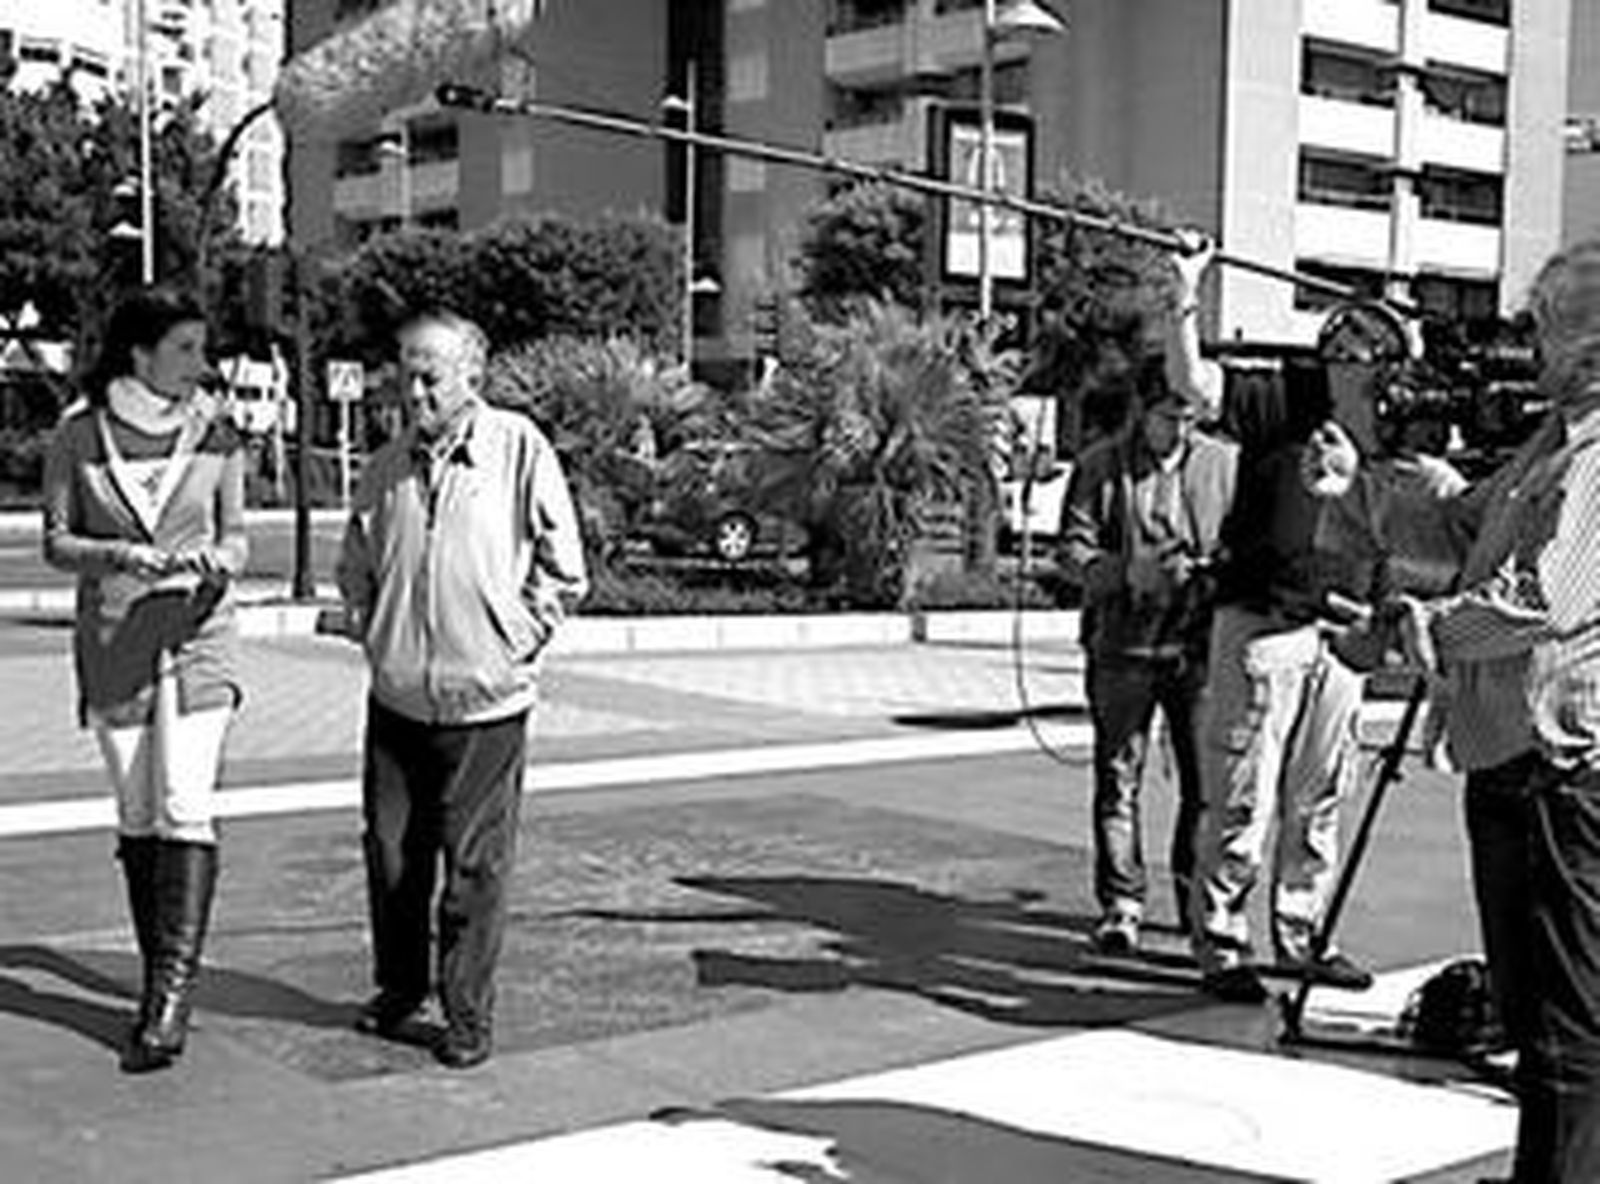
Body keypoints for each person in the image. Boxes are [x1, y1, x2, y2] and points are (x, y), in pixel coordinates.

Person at [1391, 238, 1600, 1182]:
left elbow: (1545, 595)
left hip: (1564, 778)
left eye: (1543, 328)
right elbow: (1463, 528)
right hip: (1512, 769)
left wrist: (1438, 627)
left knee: (1570, 1032)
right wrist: (1389, 472)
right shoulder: (1549, 444)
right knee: (1535, 1022)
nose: (1528, 348)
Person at [336, 309, 587, 1069]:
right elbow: (358, 562)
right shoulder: (384, 468)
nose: (413, 391)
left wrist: (515, 641)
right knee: (393, 860)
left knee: (472, 869)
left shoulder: (517, 448)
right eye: (405, 373)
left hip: (487, 706)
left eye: (429, 376)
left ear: (471, 374)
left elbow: (564, 566)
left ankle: (467, 1015)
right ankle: (400, 989)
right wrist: (369, 625)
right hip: (398, 701)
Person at [1164, 235, 1379, 1003]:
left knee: (1322, 793)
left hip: (1344, 631)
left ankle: (1303, 931)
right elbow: (1192, 384)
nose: (1361, 356)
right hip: (1264, 623)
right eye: (1351, 339)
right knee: (1243, 794)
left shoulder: (1385, 419)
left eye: (1375, 344)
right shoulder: (1284, 391)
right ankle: (1222, 942)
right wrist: (1187, 292)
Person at [41, 286, 248, 1073]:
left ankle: (168, 998)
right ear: (140, 353)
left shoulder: (218, 435)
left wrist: (215, 566)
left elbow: (233, 539)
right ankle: (157, 969)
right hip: (115, 639)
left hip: (200, 635)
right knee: (137, 810)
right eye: (186, 349)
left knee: (183, 803)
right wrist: (119, 557)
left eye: (202, 348)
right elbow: (59, 542)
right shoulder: (78, 436)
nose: (202, 364)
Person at [1059, 354, 1237, 954]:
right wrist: (1124, 572)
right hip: (1121, 647)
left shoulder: (1224, 465)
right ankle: (1121, 903)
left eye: (1192, 417)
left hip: (1196, 649)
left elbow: (1243, 548)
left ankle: (1194, 900)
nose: (1182, 430)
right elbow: (1071, 553)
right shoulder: (1100, 466)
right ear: (1144, 410)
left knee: (1204, 784)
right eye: (1169, 416)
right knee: (1118, 781)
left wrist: (1210, 574)